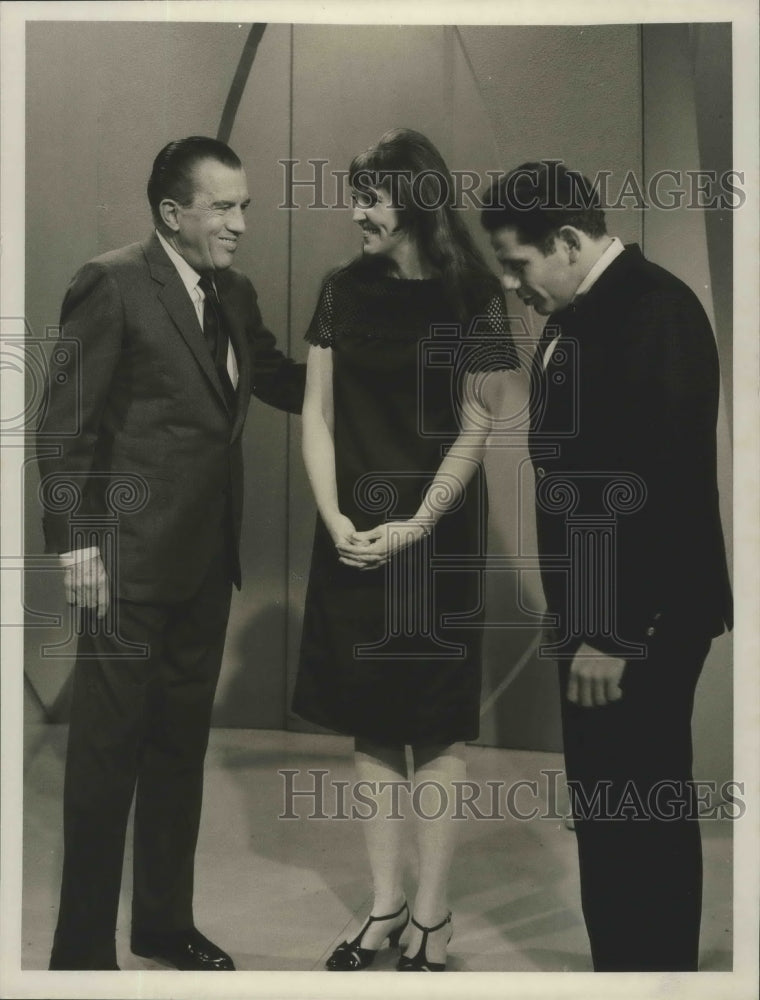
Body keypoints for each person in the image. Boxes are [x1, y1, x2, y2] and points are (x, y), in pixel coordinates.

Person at [36, 136, 305, 971]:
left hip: (202, 570)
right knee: (105, 763)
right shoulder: (111, 283)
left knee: (178, 756)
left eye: (245, 207)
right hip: (122, 569)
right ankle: (81, 952)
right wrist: (76, 546)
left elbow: (283, 381)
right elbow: (61, 429)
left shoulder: (234, 293)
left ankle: (162, 924)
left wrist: (379, 353)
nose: (239, 224)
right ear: (172, 213)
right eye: (223, 207)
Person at [480, 160, 732, 971]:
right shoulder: (582, 311)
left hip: (636, 620)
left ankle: (653, 976)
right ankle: (622, 973)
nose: (516, 287)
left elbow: (667, 483)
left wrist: (616, 635)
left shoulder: (654, 309)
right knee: (607, 809)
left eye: (519, 265)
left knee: (639, 811)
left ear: (566, 240)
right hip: (595, 612)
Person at [292, 128, 517, 972]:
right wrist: (333, 516)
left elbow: (482, 420)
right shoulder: (341, 289)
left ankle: (432, 915)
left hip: (438, 535)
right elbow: (315, 413)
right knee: (372, 721)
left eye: (370, 198)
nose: (356, 213)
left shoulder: (473, 295)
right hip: (352, 533)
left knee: (436, 723)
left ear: (414, 200)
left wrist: (420, 521)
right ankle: (385, 906)